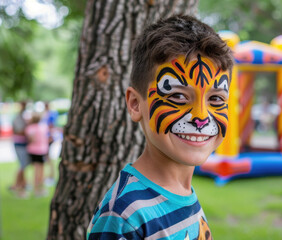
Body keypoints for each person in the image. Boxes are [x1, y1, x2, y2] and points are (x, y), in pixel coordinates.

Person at [87, 14, 233, 239]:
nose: (201, 117)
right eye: (177, 96)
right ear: (136, 104)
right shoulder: (125, 215)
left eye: (216, 99)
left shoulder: (181, 193)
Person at [25, 112, 49, 197]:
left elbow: (31, 139)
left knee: (36, 170)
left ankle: (37, 189)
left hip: (33, 150)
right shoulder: (43, 127)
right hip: (41, 150)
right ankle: (39, 188)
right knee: (41, 170)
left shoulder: (30, 128)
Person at [9, 101, 30, 198]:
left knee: (23, 164)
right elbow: (19, 131)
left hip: (22, 143)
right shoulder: (19, 117)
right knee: (22, 164)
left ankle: (22, 184)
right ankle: (17, 185)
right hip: (19, 143)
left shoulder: (23, 116)